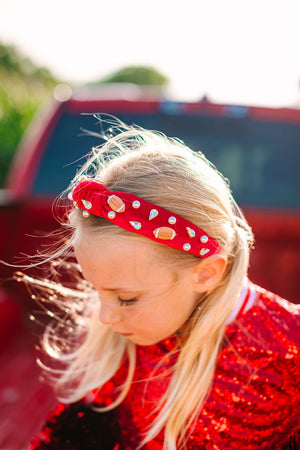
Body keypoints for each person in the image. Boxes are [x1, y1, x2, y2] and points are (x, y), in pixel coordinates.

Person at [28, 122, 300, 450]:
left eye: (126, 299)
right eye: (98, 291)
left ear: (205, 274)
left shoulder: (289, 350)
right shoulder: (126, 339)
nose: (105, 317)